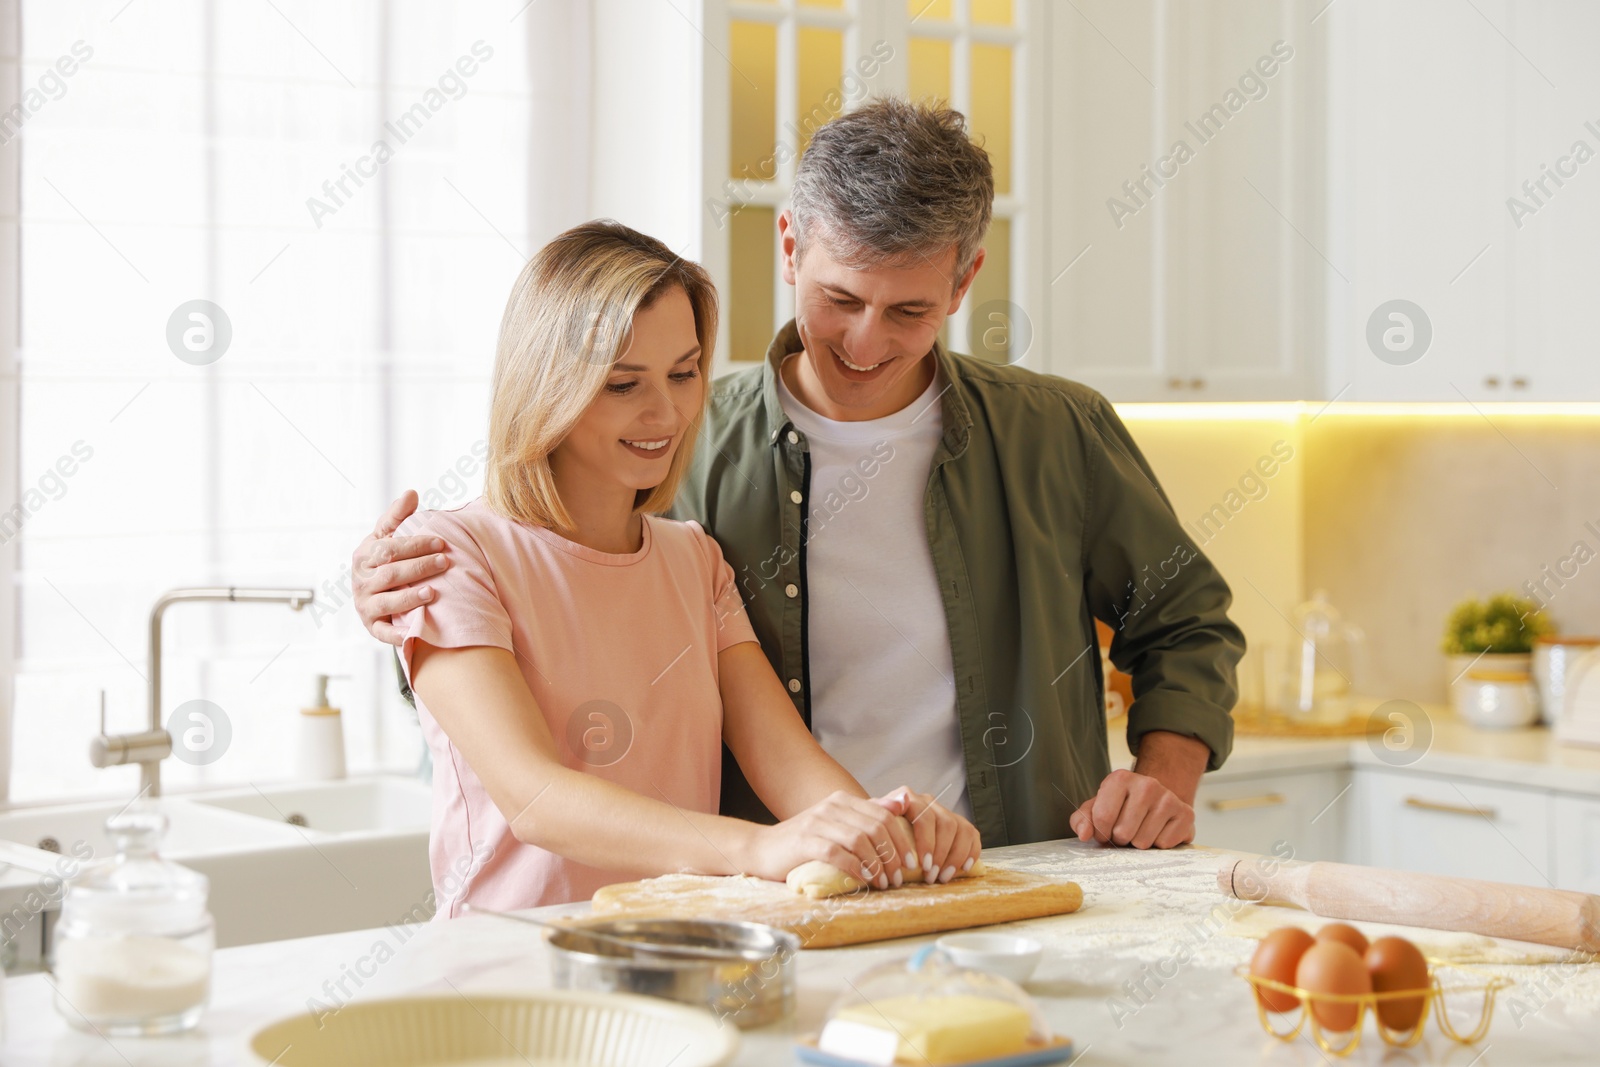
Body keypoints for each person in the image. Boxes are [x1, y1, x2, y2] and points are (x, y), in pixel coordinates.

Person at [357, 99, 1246, 855]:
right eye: (841, 300)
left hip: (990, 873)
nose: (867, 344)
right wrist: (401, 602)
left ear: (966, 280)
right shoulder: (682, 452)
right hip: (771, 897)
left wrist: (1160, 778)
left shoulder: (1056, 431)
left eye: (909, 311)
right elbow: (529, 615)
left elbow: (1187, 620)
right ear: (790, 246)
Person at [392, 219, 979, 915]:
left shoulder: (693, 559)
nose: (664, 411)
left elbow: (783, 758)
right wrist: (757, 849)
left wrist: (885, 830)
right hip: (516, 977)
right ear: (546, 384)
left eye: (684, 371)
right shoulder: (453, 556)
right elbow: (534, 797)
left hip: (676, 960)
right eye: (621, 383)